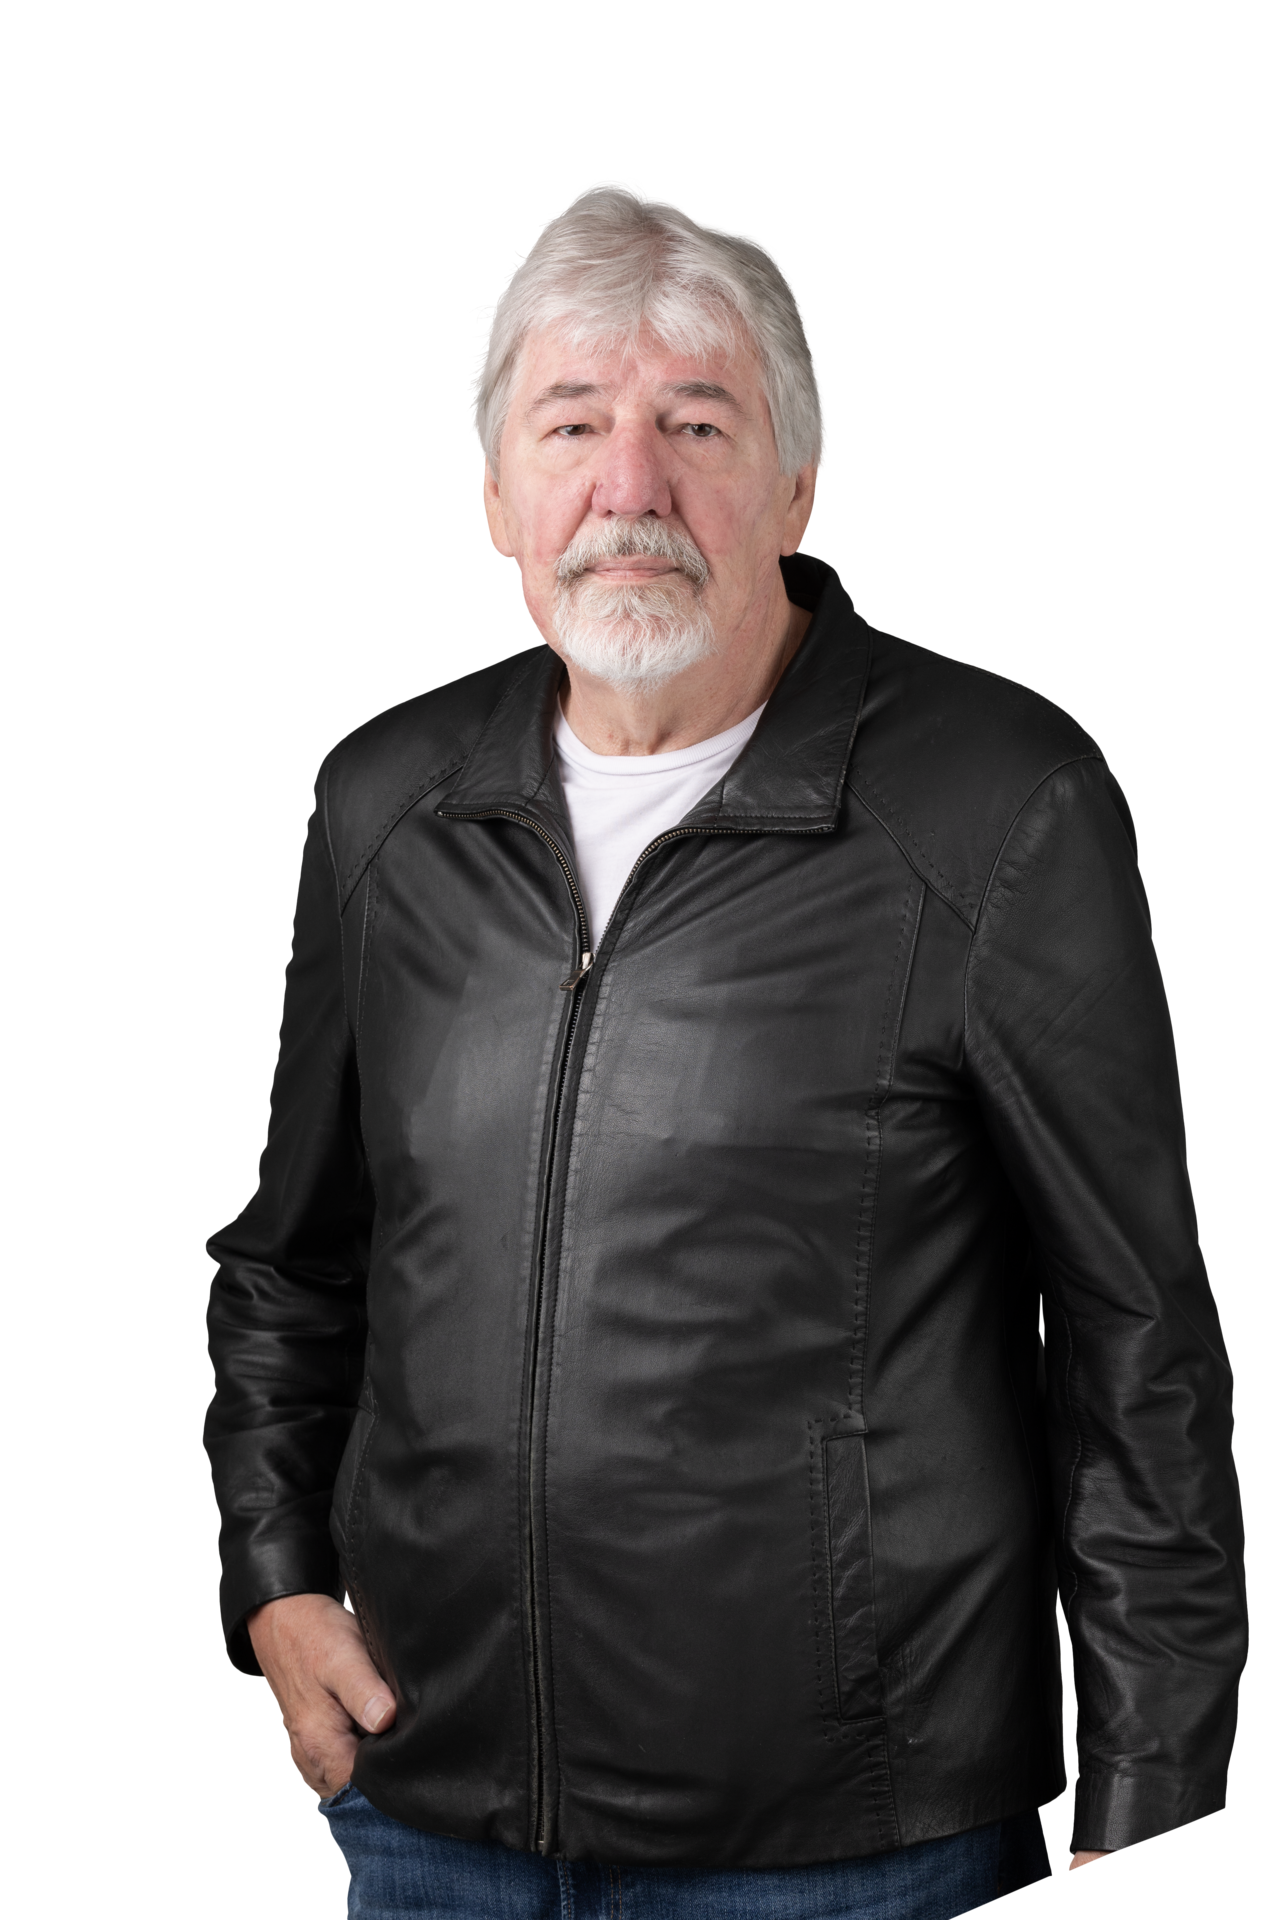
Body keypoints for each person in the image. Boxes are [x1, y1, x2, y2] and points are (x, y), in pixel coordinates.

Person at [203, 177, 1248, 1919]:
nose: (630, 489)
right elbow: (288, 1264)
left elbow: (1141, 1348)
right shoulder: (382, 804)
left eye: (697, 423)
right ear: (494, 493)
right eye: (571, 426)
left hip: (856, 1852)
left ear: (800, 480)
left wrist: (1145, 1805)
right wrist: (272, 1577)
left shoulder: (998, 805)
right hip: (428, 1815)